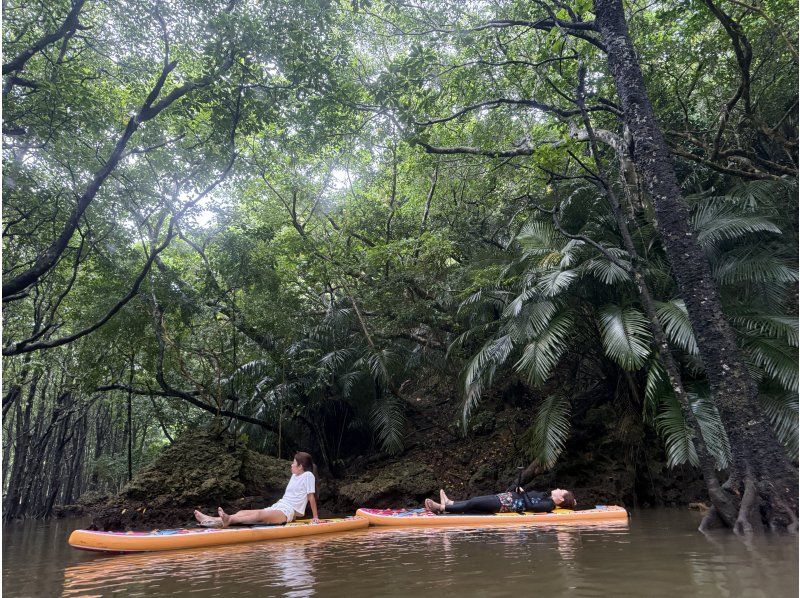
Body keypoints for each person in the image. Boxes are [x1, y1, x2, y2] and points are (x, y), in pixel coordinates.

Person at [194, 452, 319, 527]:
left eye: (293, 463)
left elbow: (310, 497)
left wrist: (315, 517)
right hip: (280, 505)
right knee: (243, 512)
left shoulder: (308, 475)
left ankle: (229, 520)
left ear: (301, 466)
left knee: (259, 515)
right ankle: (210, 519)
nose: (291, 465)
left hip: (288, 511)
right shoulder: (294, 475)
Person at [424, 487, 576, 515]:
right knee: (475, 501)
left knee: (475, 502)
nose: (557, 488)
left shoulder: (549, 504)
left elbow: (530, 507)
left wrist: (522, 494)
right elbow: (529, 497)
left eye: (560, 490)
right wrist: (519, 491)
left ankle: (441, 508)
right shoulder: (545, 495)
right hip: (506, 498)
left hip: (506, 505)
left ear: (561, 498)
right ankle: (450, 502)